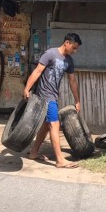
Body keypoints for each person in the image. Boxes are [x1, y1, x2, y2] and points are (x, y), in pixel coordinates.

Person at [23, 32, 82, 168]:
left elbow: (72, 81)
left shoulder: (68, 61)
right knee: (54, 124)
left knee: (45, 125)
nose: (75, 51)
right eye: (74, 47)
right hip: (45, 95)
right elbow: (37, 71)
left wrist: (77, 100)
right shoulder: (50, 54)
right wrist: (27, 88)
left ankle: (33, 153)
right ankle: (60, 160)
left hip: (53, 95)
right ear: (67, 42)